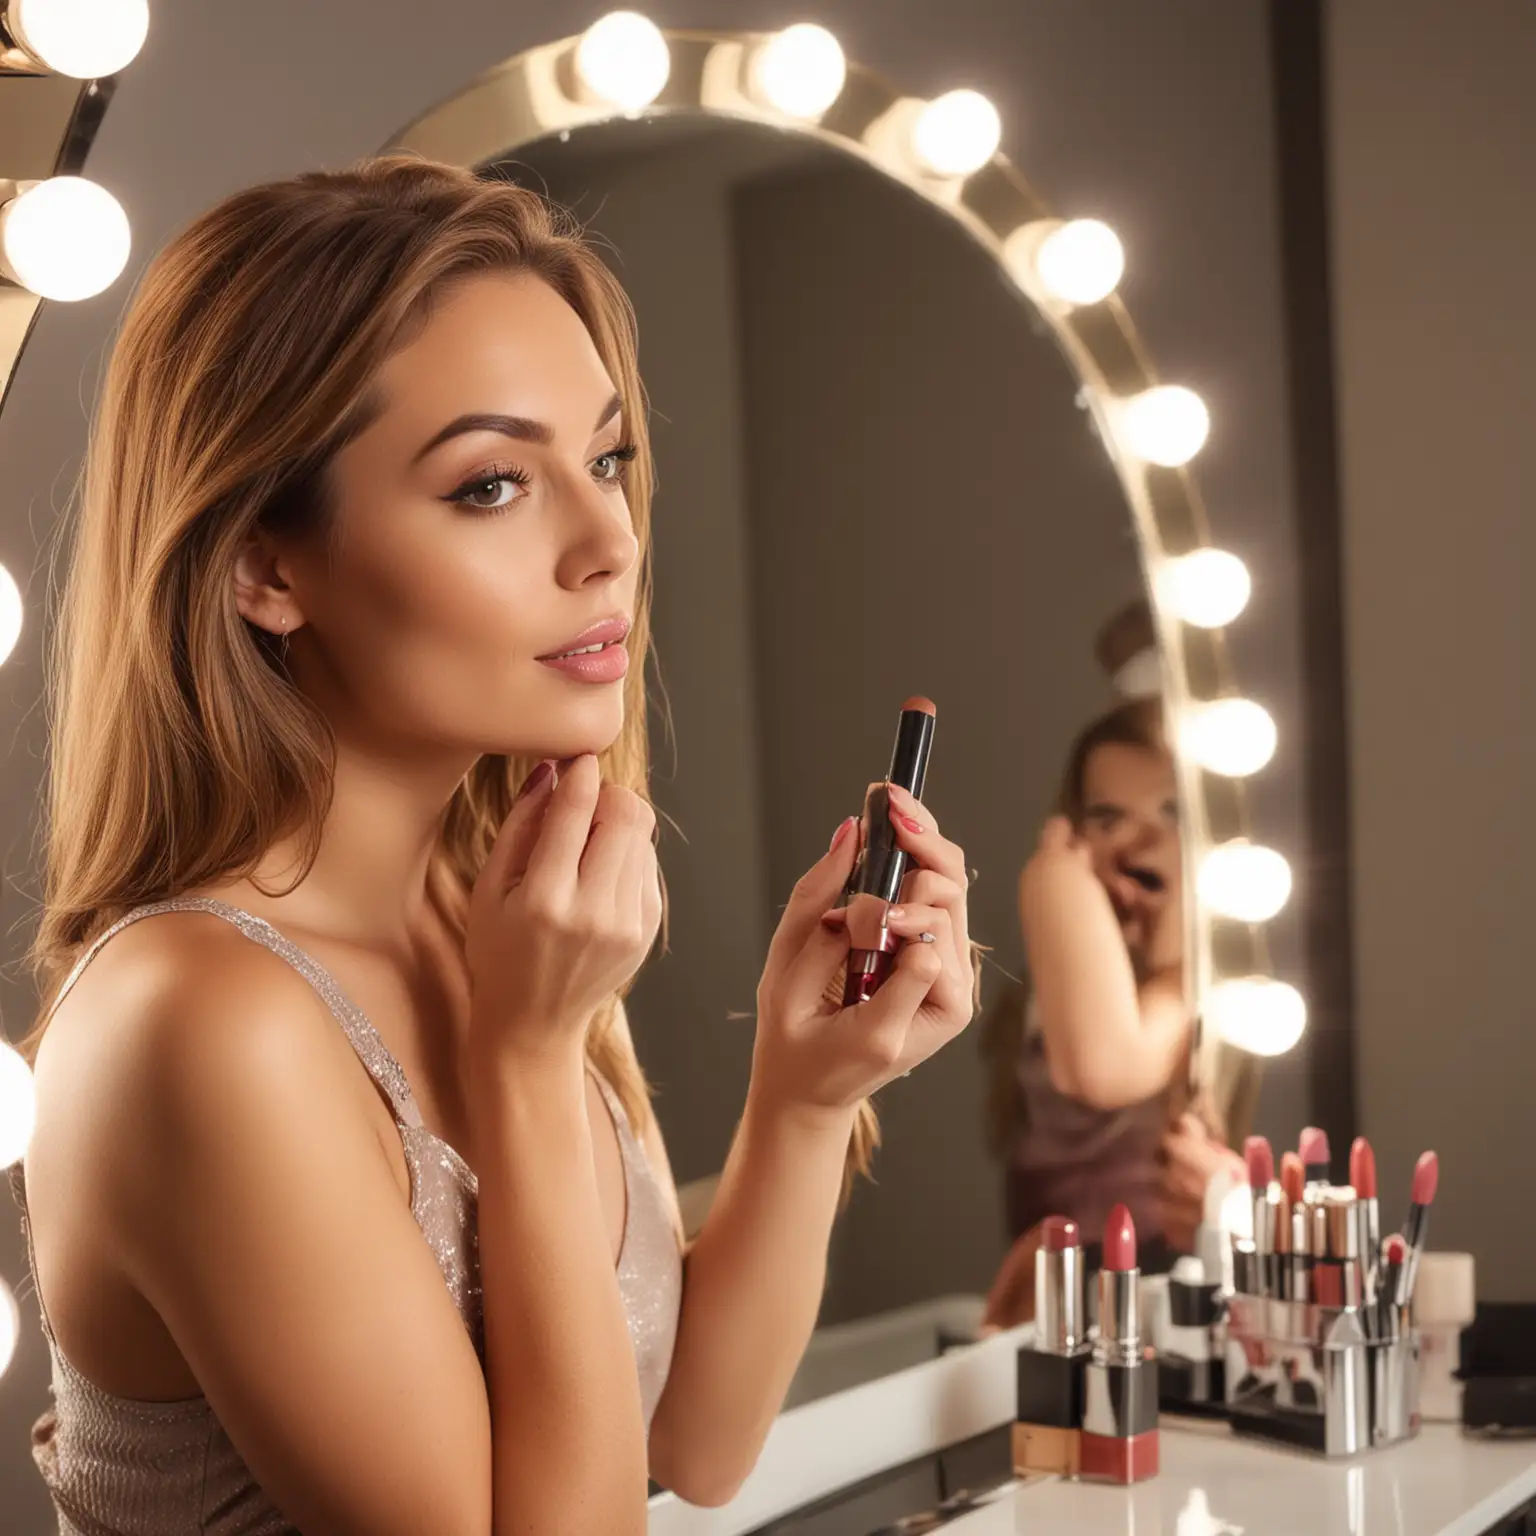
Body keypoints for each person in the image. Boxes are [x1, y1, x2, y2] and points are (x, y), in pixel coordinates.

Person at [8, 155, 976, 1535]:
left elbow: (689, 1440)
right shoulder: (201, 1022)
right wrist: (519, 1065)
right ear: (262, 567)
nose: (608, 543)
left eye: (605, 460)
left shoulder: (499, 906)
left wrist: (805, 1098)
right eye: (488, 487)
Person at [979, 689, 1239, 1328]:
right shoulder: (1078, 987)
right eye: (1107, 817)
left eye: (1172, 810)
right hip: (1065, 1308)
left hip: (1167, 1304)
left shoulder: (1204, 994)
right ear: (1073, 831)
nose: (1139, 838)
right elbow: (1105, 1062)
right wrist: (1057, 879)